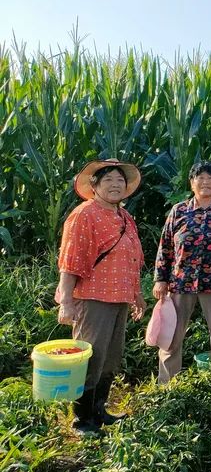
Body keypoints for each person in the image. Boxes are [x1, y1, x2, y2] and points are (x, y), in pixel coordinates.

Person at [56, 158, 146, 435]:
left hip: (119, 297)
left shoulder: (124, 216)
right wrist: (66, 301)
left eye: (120, 180)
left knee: (110, 358)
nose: (115, 184)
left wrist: (137, 295)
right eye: (108, 180)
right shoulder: (84, 214)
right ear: (94, 186)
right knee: (90, 358)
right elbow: (70, 260)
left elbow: (132, 258)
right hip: (93, 297)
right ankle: (81, 420)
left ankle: (99, 411)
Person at [153, 161, 211, 383]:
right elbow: (165, 246)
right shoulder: (179, 211)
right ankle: (168, 386)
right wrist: (160, 279)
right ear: (192, 183)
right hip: (180, 281)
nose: (205, 182)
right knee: (171, 335)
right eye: (200, 178)